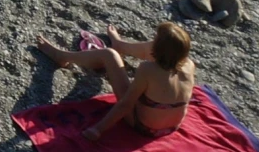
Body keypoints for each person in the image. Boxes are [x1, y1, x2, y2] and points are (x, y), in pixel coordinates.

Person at [34, 24, 197, 142]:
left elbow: (125, 105)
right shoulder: (189, 64)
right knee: (163, 49)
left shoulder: (147, 69)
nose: (153, 41)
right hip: (171, 127)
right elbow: (160, 55)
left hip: (142, 126)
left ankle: (63, 56)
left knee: (109, 55)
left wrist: (98, 129)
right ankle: (121, 45)